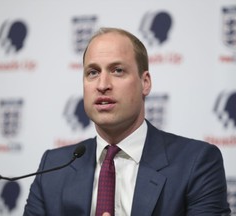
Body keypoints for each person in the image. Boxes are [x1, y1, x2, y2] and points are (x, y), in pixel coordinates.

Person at [23, 27, 231, 216]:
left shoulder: (196, 162)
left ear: (145, 83)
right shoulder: (54, 166)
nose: (102, 85)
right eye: (93, 72)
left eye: (117, 70)